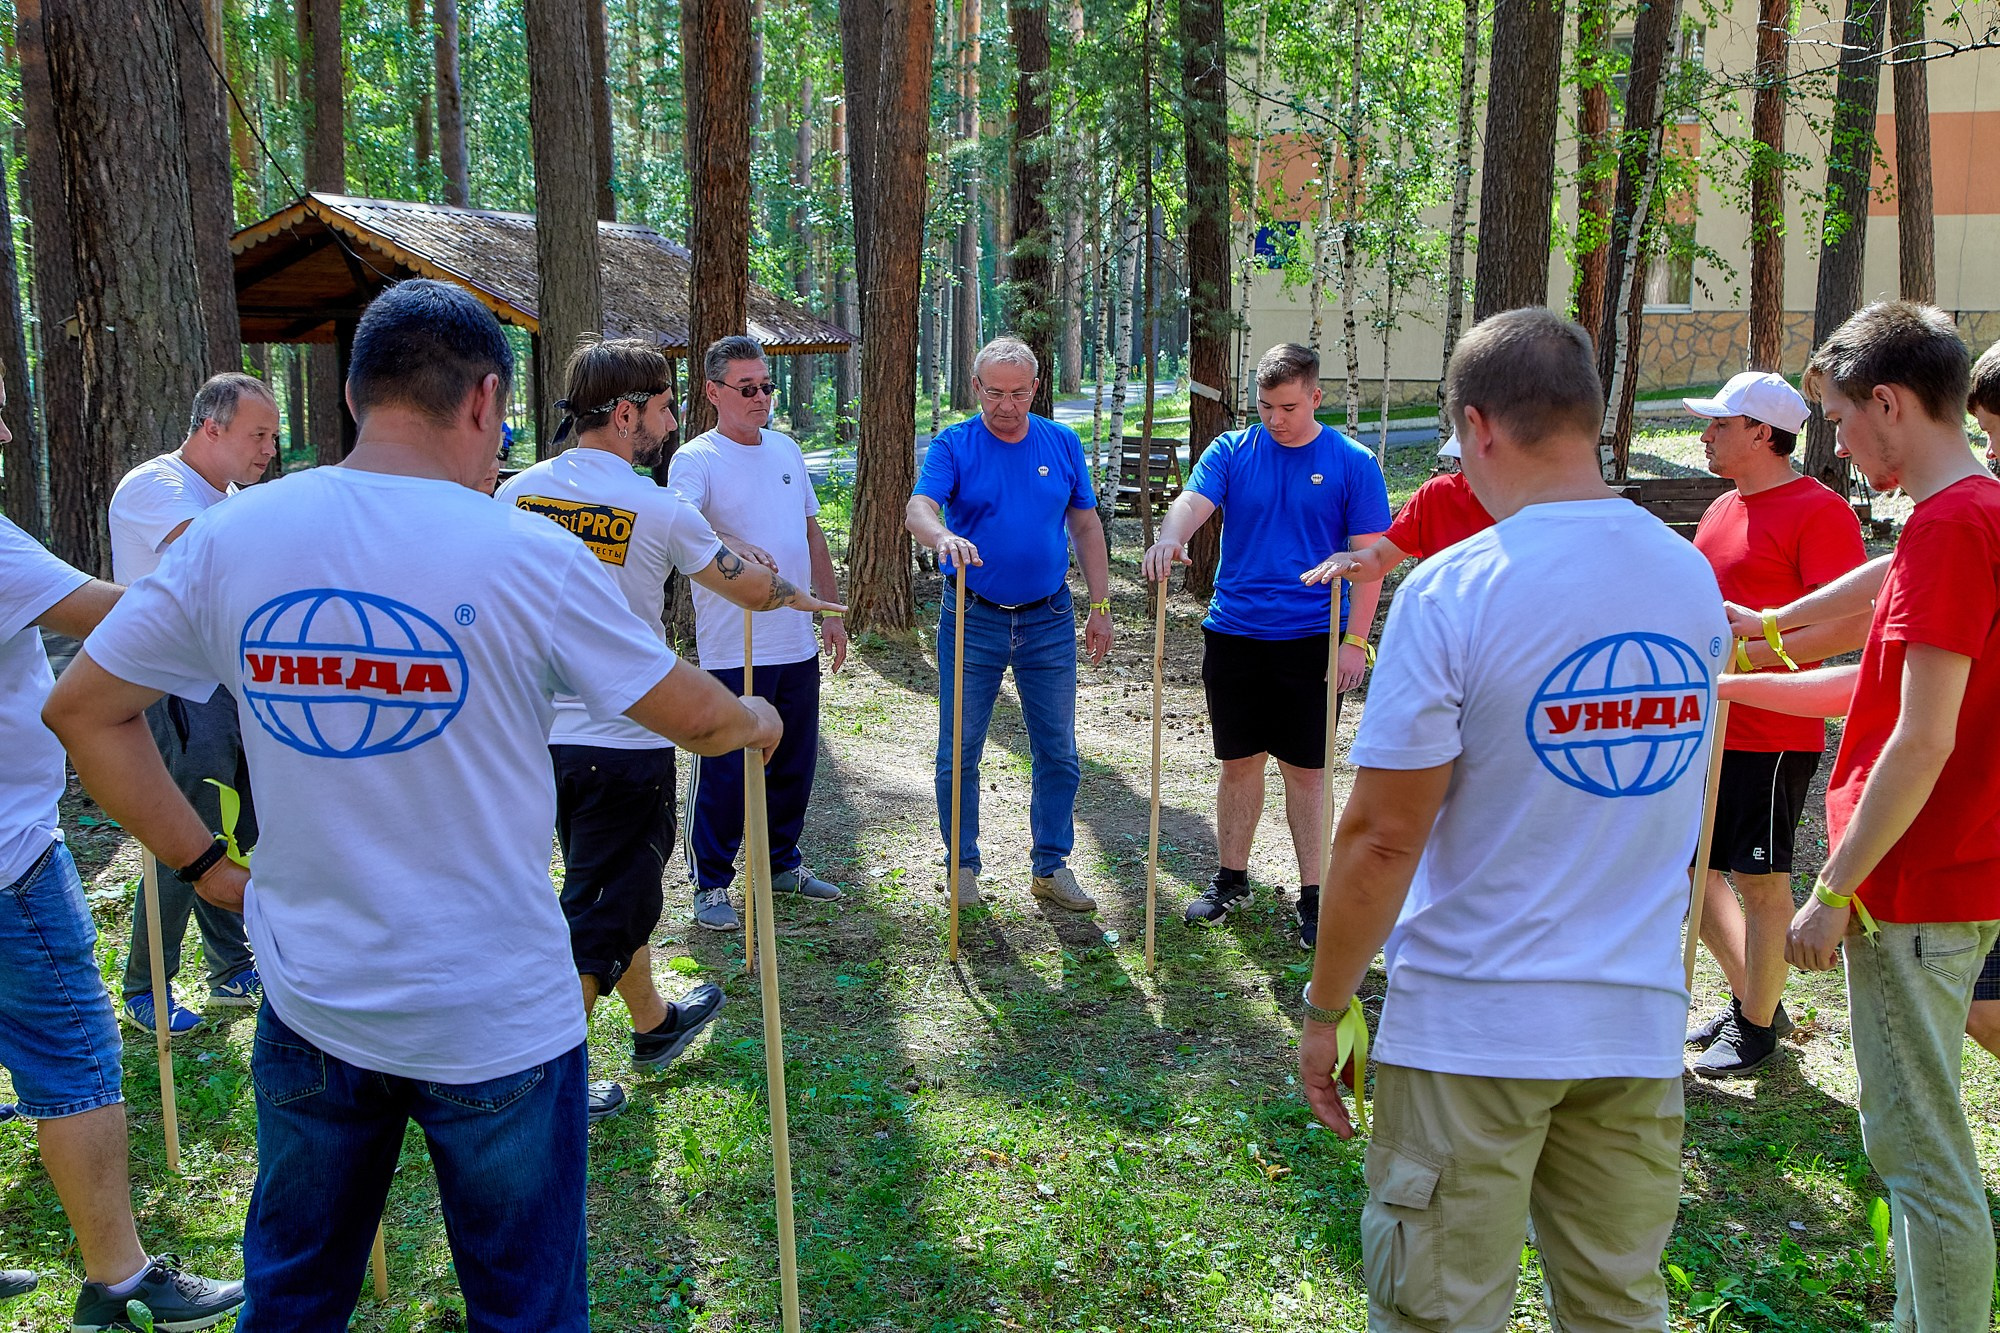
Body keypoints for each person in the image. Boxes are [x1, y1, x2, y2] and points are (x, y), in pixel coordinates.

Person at [45, 279, 781, 1331]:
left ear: (353, 396)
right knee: (522, 1312)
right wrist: (754, 723)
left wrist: (208, 867)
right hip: (497, 1022)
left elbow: (83, 711)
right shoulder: (527, 554)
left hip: (313, 1000)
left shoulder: (233, 537)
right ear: (484, 401)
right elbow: (695, 718)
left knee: (293, 1300)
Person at [1299, 308, 1727, 1332]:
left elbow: (1381, 836)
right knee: (1617, 1306)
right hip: (1628, 1020)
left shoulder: (1456, 589)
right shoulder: (1687, 578)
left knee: (1439, 1310)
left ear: (1478, 427)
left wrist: (1324, 1008)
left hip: (1472, 1026)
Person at [1717, 302, 1999, 1332]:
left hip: (1912, 886)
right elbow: (1878, 595)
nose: (1834, 441)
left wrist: (1832, 889)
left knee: (1919, 1157)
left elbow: (1919, 739)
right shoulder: (1965, 511)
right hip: (1939, 876)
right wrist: (1771, 629)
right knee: (1918, 1145)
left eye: (1839, 418)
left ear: (1888, 403)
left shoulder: (1956, 522)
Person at [498, 337, 841, 1122]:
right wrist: (797, 596)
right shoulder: (658, 507)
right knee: (607, 907)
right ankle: (552, 1080)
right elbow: (745, 584)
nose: (671, 420)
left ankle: (651, 1022)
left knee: (602, 883)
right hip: (624, 736)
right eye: (662, 406)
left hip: (529, 735)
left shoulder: (515, 493)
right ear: (626, 414)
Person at [1, 387, 245, 1332]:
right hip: (10, 854)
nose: (9, 430)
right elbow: (119, 618)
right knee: (74, 1059)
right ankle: (118, 1278)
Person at [1141, 343, 1390, 947]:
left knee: (1307, 773)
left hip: (1312, 637)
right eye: (1264, 406)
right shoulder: (1232, 450)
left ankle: (1314, 896)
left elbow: (1371, 561)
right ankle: (1231, 879)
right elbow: (1191, 503)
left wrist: (1356, 640)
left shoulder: (1352, 462)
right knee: (1238, 764)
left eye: (1287, 407)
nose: (1274, 418)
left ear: (1315, 398)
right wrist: (1171, 537)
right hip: (1234, 632)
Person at [1678, 371, 1866, 1077]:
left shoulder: (1820, 512)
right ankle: (1755, 995)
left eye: (1721, 424)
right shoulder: (1721, 507)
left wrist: (1751, 655)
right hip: (1709, 722)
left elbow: (1850, 623)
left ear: (1764, 432)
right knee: (1692, 872)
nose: (1705, 435)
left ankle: (1755, 1028)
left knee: (1760, 879)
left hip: (1775, 731)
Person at [903, 335, 1113, 911]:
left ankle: (1050, 865)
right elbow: (918, 507)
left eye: (1018, 394)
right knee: (959, 750)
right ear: (976, 388)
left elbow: (1087, 527)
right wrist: (943, 535)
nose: (1005, 405)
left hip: (1049, 618)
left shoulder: (1062, 442)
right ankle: (961, 866)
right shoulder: (955, 445)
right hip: (975, 618)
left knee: (1058, 749)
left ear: (1035, 390)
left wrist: (1100, 605)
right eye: (994, 393)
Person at [106, 372, 277, 1035]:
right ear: (212, 428)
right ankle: (147, 985)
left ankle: (231, 966)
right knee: (183, 830)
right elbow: (222, 565)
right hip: (175, 687)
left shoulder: (225, 494)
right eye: (258, 434)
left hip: (223, 684)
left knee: (229, 827)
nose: (268, 448)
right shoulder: (160, 486)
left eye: (273, 435)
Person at [667, 335, 848, 931]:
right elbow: (680, 522)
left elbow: (811, 535)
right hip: (731, 640)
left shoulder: (788, 451)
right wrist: (732, 546)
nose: (762, 398)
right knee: (724, 761)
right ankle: (712, 883)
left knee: (793, 761)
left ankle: (779, 863)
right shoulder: (696, 458)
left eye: (766, 386)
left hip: (794, 637)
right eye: (747, 389)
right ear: (714, 392)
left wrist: (829, 611)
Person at [1303, 433, 1494, 586]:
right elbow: (1378, 559)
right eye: (1459, 459)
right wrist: (1347, 559)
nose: (1465, 468)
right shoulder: (1436, 494)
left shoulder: (1523, 504)